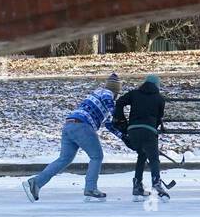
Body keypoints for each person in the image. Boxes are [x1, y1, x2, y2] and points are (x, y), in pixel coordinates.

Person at [22, 73, 124, 202]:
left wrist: (125, 136)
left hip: (69, 125)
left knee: (64, 159)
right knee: (97, 156)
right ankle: (90, 188)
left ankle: (36, 182)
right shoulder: (106, 93)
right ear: (116, 90)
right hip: (82, 126)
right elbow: (112, 109)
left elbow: (110, 124)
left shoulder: (97, 95)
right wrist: (119, 115)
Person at [113, 74, 170, 201]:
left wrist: (121, 120)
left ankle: (137, 185)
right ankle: (156, 184)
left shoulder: (134, 94)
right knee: (154, 159)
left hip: (133, 131)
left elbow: (119, 102)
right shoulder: (159, 98)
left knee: (142, 155)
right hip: (149, 131)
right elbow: (158, 118)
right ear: (157, 86)